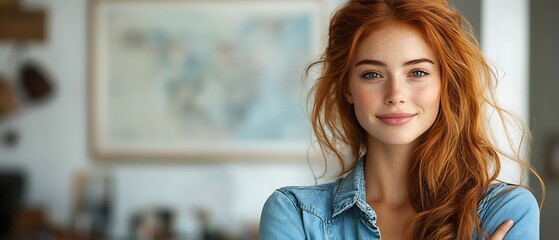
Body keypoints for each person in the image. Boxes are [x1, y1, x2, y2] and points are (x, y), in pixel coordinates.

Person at [259, 0, 544, 239]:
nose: (396, 94)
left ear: (445, 83)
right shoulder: (295, 213)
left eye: (417, 72)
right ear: (347, 87)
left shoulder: (506, 211)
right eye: (372, 74)